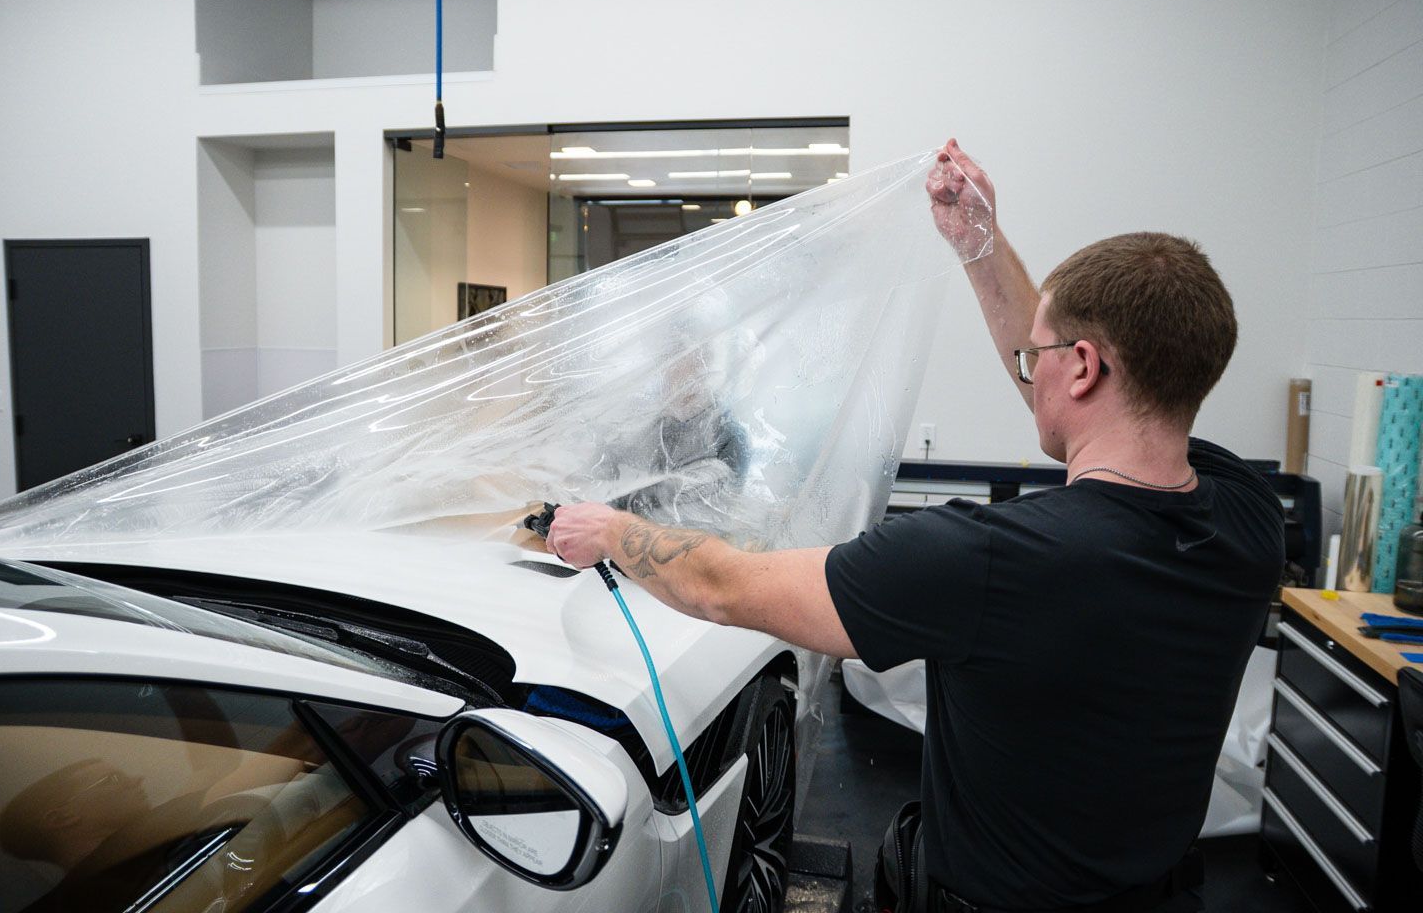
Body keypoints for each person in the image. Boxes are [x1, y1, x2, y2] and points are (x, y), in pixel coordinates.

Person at [545, 139, 1284, 912]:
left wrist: (611, 532)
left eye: (1039, 356)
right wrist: (978, 248)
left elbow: (724, 586)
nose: (1029, 370)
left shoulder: (990, 560)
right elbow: (1092, 413)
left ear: (1084, 366)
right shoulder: (1246, 517)